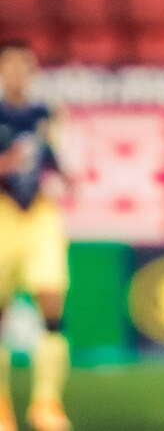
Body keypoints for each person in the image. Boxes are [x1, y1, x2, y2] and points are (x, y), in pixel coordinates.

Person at [0, 41, 72, 431]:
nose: (17, 72)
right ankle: (2, 408)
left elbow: (60, 161)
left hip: (41, 212)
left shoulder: (45, 112)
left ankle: (46, 404)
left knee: (52, 307)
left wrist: (65, 170)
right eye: (10, 65)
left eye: (23, 65)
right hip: (2, 214)